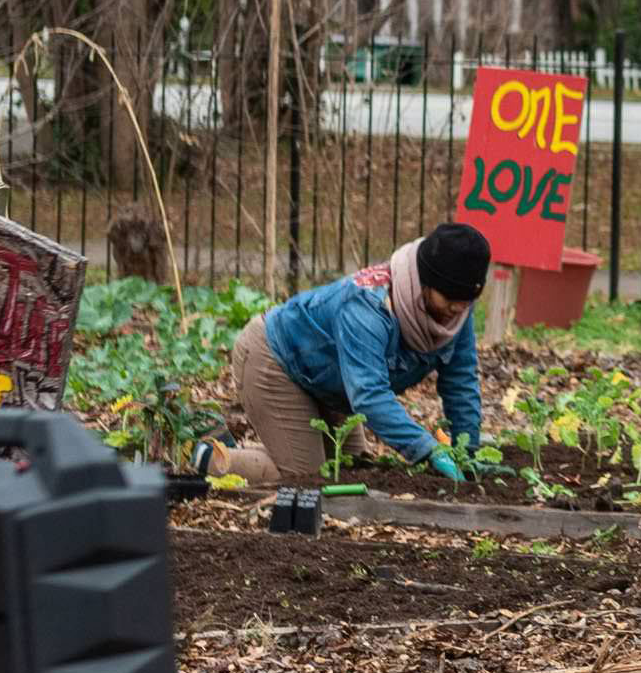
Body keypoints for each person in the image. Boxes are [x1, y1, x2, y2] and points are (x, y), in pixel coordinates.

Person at [207, 221, 492, 520]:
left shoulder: (457, 310)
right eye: (450, 300)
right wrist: (428, 449)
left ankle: (251, 447)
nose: (457, 310)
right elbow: (369, 396)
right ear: (426, 283)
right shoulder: (369, 307)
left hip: (330, 380)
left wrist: (467, 449)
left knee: (354, 470)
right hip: (276, 361)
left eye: (466, 303)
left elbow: (460, 379)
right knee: (307, 480)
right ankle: (203, 455)